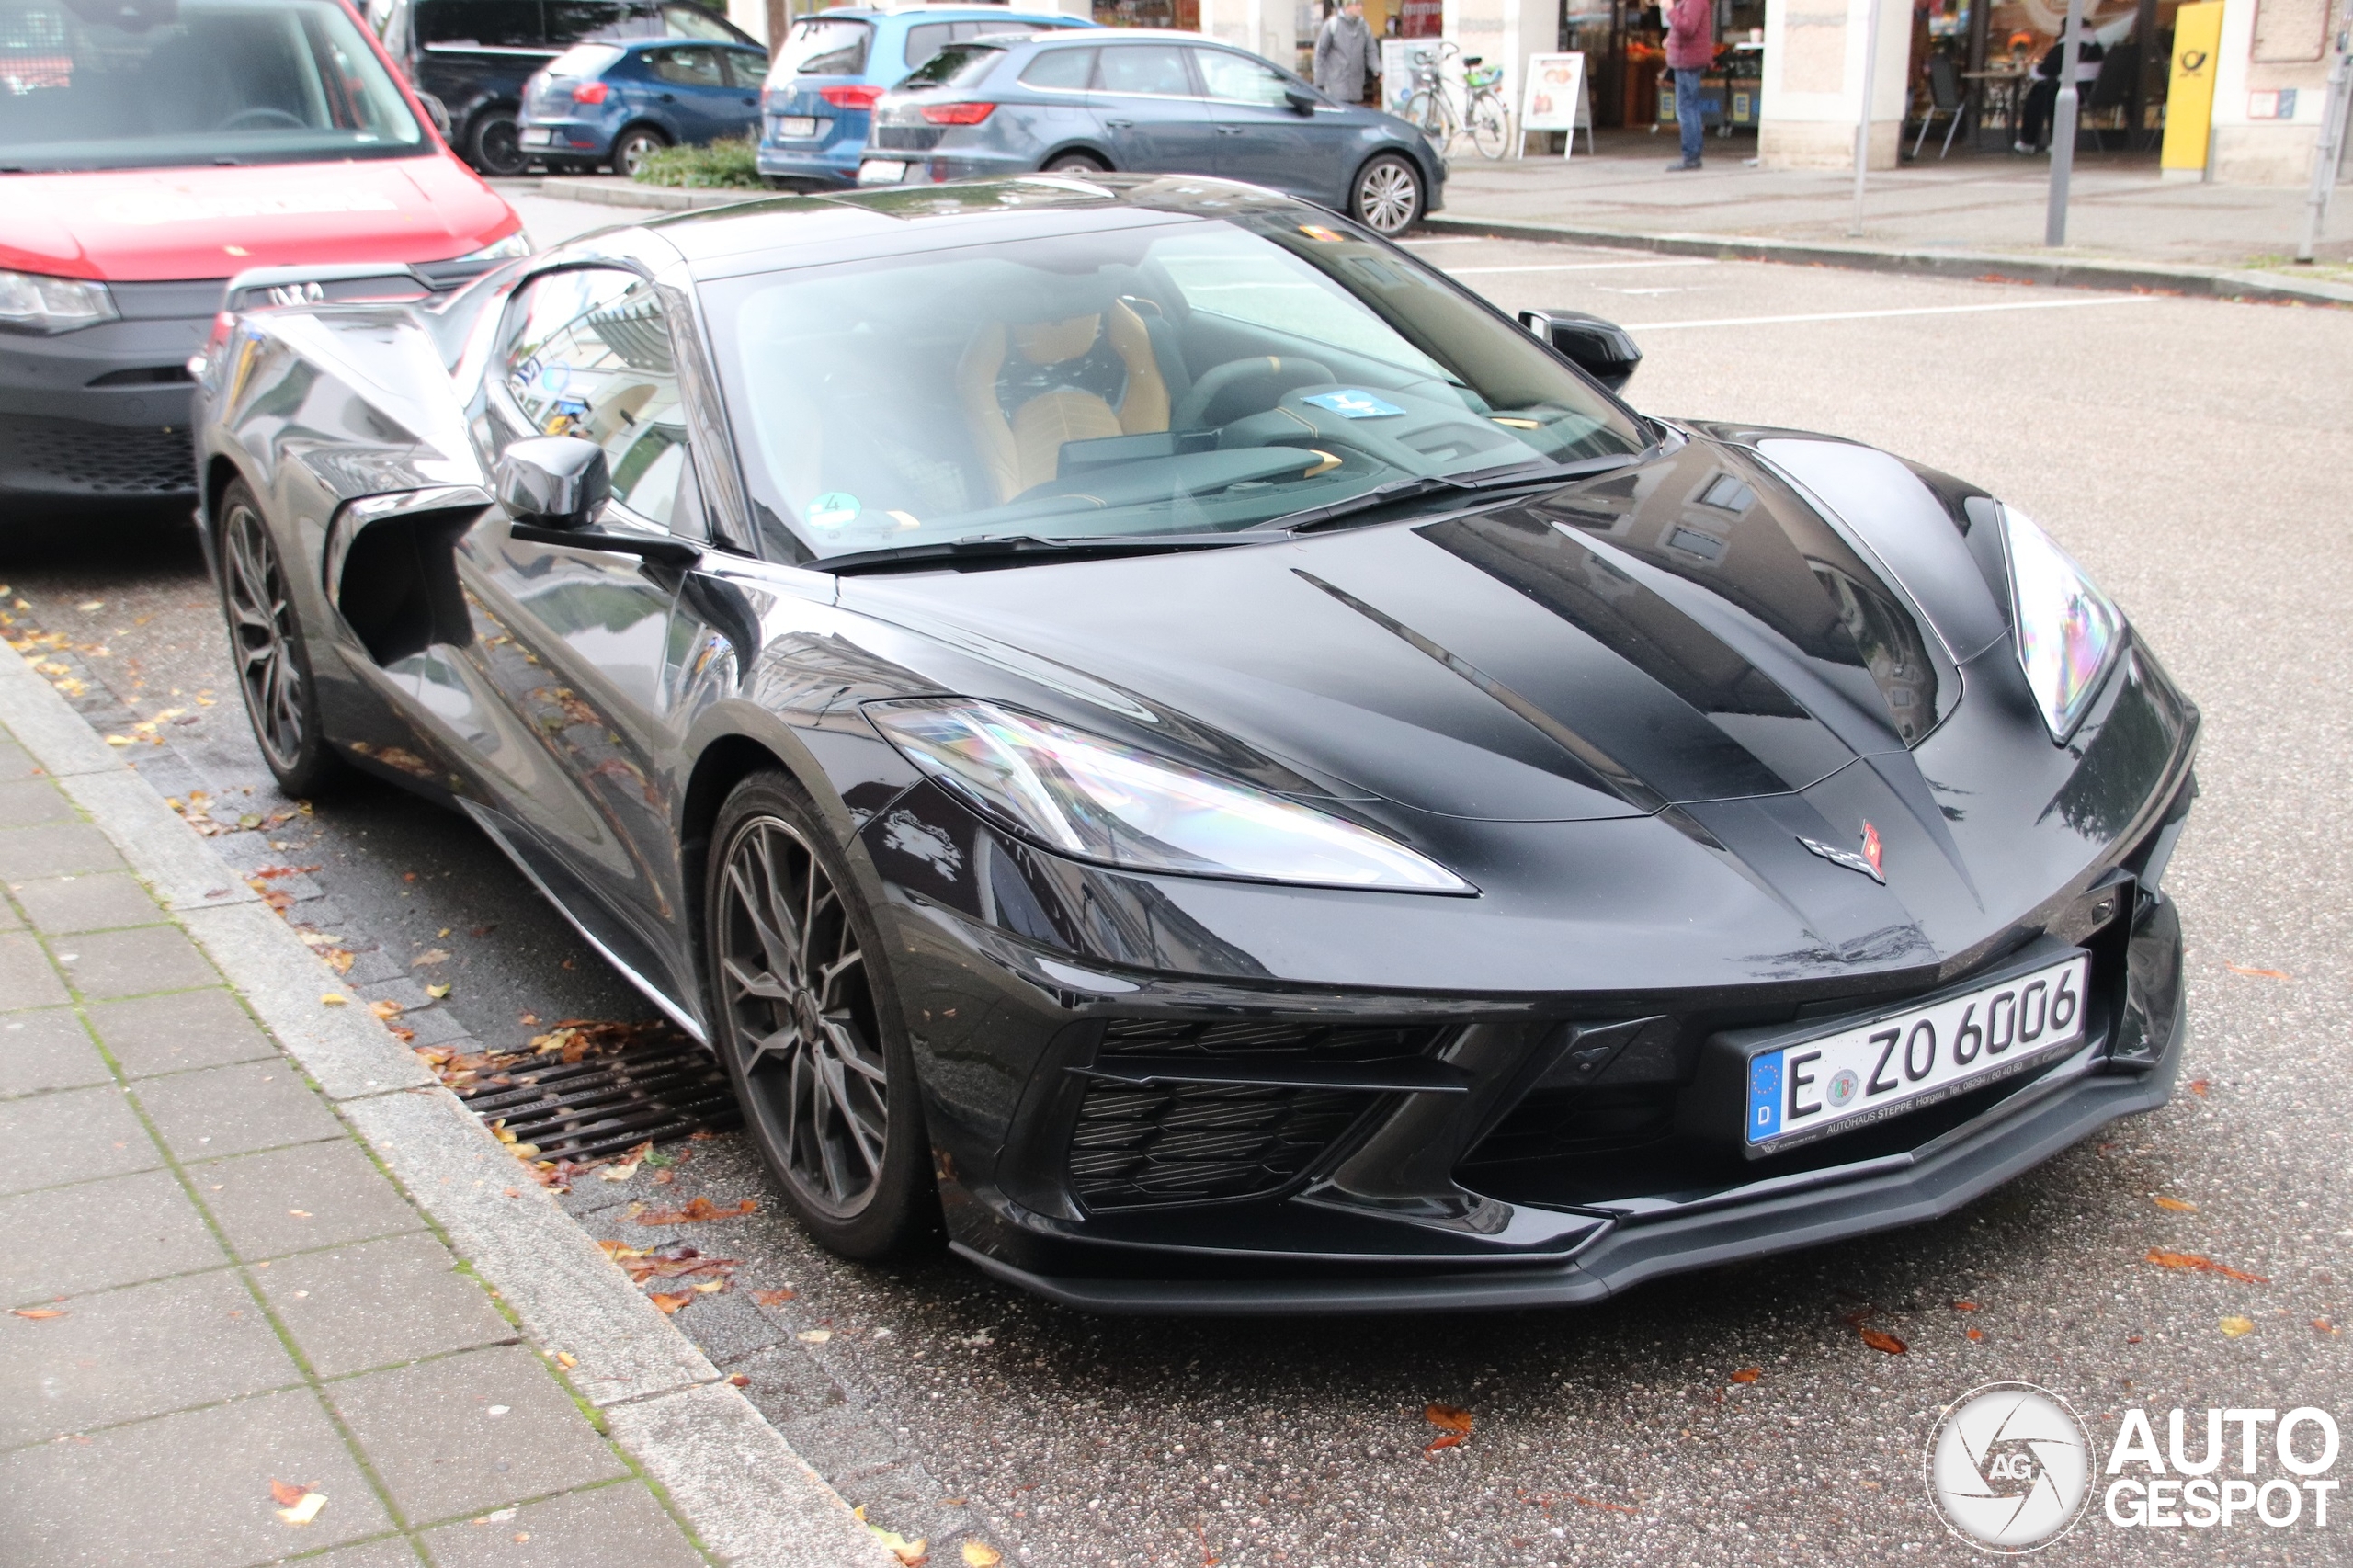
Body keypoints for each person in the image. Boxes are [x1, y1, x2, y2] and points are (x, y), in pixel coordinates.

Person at [2015, 17, 2101, 153]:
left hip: (2073, 90)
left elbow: (2046, 70)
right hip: (2089, 90)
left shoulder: (2068, 46)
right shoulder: (2095, 45)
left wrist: (2032, 70)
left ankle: (2029, 140)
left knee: (2040, 92)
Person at [1663, 0, 1712, 171]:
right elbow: (1684, 26)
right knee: (1689, 108)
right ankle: (1692, 155)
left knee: (1687, 109)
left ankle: (1691, 156)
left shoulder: (1694, 1)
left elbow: (1688, 27)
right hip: (1686, 58)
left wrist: (1669, 10)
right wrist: (1672, 38)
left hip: (1688, 60)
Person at [1315, 0, 1377, 107]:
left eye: (1362, 5)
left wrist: (1377, 69)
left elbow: (1371, 50)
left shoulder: (1364, 27)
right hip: (1334, 88)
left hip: (1355, 89)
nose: (1360, 8)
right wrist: (1319, 83)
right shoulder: (1332, 25)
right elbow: (1320, 54)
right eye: (1357, 4)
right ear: (1348, 5)